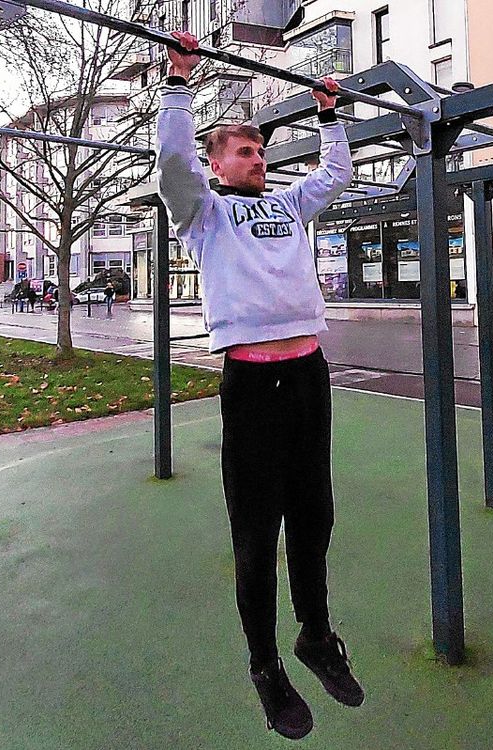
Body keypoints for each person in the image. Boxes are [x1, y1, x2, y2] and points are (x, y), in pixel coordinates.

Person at [158, 31, 359, 741]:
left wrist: (329, 116)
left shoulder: (288, 206)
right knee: (256, 533)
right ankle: (265, 664)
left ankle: (316, 634)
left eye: (261, 150)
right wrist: (179, 81)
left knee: (316, 516)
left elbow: (334, 177)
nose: (257, 158)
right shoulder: (204, 213)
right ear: (216, 162)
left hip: (309, 374)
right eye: (244, 151)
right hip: (252, 384)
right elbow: (170, 163)